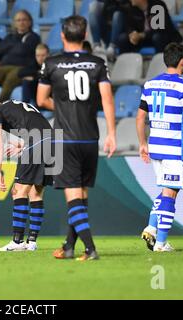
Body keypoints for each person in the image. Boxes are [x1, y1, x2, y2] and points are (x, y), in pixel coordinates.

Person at [37, 16, 117, 261]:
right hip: (90, 139)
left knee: (73, 197)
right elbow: (107, 99)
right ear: (85, 36)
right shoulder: (97, 63)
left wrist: (60, 107)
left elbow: (40, 100)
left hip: (65, 139)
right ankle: (69, 246)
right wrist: (112, 133)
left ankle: (90, 249)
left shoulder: (51, 63)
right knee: (81, 195)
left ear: (62, 35)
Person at [136, 43, 183, 252]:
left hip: (155, 146)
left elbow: (141, 117)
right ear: (182, 61)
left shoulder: (150, 85)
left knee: (167, 191)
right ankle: (160, 243)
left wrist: (143, 143)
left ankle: (151, 227)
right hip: (172, 147)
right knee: (170, 193)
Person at [0, 99, 53, 251]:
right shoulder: (15, 105)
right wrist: (24, 146)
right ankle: (31, 242)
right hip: (52, 141)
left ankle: (17, 242)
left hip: (37, 142)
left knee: (18, 191)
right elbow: (36, 125)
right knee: (35, 193)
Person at [118, 0, 182, 54]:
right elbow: (128, 26)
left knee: (157, 37)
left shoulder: (157, 6)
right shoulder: (132, 8)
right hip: (144, 39)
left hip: (164, 38)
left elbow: (158, 30)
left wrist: (141, 35)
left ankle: (160, 63)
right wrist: (132, 34)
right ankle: (125, 65)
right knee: (123, 38)